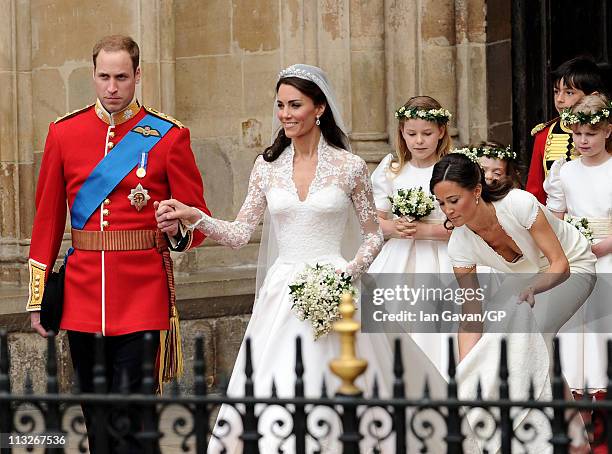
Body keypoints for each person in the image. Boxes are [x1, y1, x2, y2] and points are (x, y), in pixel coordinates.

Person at [156, 64, 448, 453]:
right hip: (283, 292)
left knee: (346, 387)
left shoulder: (349, 166)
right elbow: (241, 232)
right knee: (277, 384)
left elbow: (373, 235)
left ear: (319, 109)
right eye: (280, 105)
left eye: (295, 105)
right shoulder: (267, 167)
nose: (286, 114)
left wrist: (346, 274)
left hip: (339, 289)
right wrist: (198, 218)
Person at [26, 35, 209, 452]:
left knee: (134, 415)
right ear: (93, 75)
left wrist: (175, 224)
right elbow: (48, 220)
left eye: (122, 77)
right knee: (96, 416)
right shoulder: (63, 133)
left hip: (142, 295)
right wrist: (37, 297)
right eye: (104, 76)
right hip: (83, 295)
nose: (112, 87)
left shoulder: (168, 136)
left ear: (138, 75)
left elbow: (197, 219)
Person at [430, 153, 597, 452]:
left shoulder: (518, 203)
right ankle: (574, 439)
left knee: (529, 331)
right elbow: (471, 315)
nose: (448, 210)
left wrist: (535, 286)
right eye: (441, 203)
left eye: (454, 200)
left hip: (572, 267)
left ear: (477, 190)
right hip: (524, 282)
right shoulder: (459, 245)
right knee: (511, 335)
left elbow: (560, 264)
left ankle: (564, 437)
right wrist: (467, 371)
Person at [544, 94, 612, 453]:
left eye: (592, 133)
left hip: (607, 258)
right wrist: (568, 242)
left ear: (607, 131)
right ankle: (580, 419)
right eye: (578, 133)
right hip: (576, 262)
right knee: (576, 335)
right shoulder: (565, 171)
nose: (584, 140)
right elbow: (555, 216)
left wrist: (602, 245)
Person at [367, 96, 452, 374]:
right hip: (399, 258)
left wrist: (425, 230)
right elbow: (374, 222)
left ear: (441, 131)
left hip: (443, 258)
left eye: (427, 133)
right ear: (401, 133)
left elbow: (464, 224)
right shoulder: (392, 170)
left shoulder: (453, 168)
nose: (419, 141)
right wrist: (394, 227)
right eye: (411, 133)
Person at [526, 56, 606, 204]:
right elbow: (535, 192)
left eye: (569, 92)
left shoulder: (605, 132)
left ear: (592, 96)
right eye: (557, 91)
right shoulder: (544, 135)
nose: (559, 99)